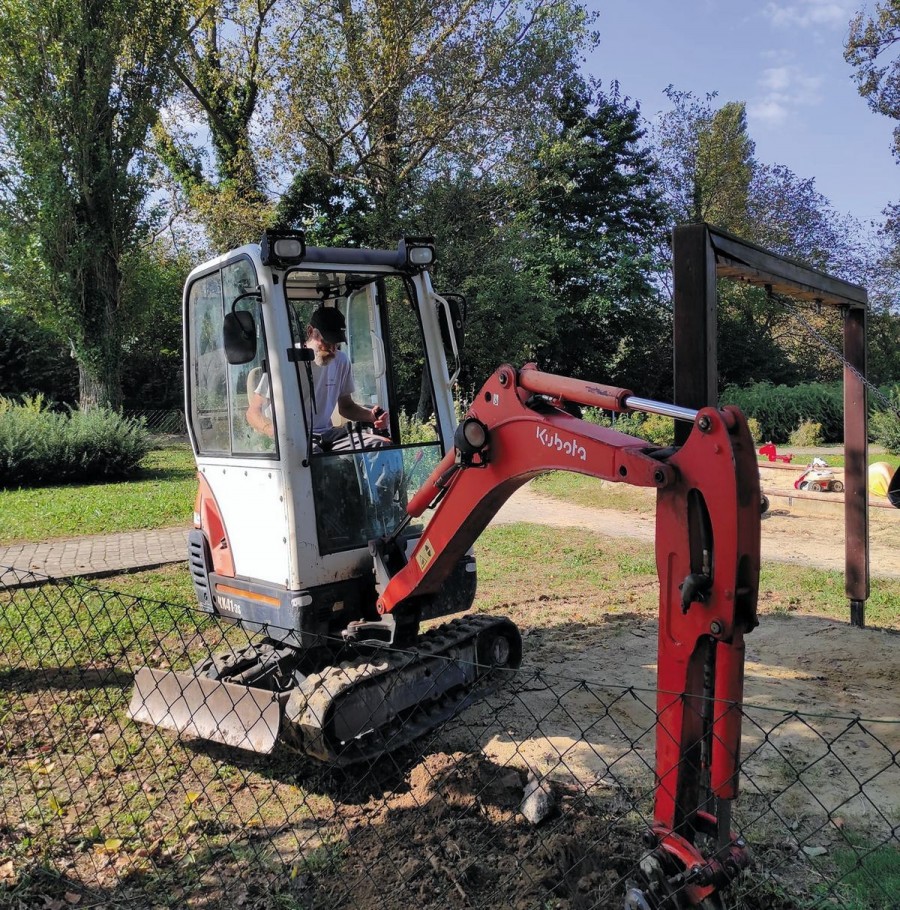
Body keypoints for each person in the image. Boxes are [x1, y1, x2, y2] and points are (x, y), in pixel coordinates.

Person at [246, 306, 391, 451]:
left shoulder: (342, 361)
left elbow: (346, 407)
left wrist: (370, 416)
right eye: (327, 342)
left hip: (328, 435)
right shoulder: (286, 360)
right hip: (293, 439)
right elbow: (252, 412)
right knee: (315, 459)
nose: (333, 350)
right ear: (310, 332)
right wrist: (271, 429)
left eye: (337, 343)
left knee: (381, 445)